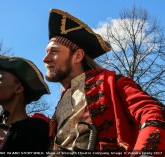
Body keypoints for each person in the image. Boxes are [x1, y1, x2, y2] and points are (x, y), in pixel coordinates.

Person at [43, 8, 165, 154]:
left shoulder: (112, 83)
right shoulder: (58, 108)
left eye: (54, 51)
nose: (46, 59)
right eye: (46, 52)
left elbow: (154, 115)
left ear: (78, 56)